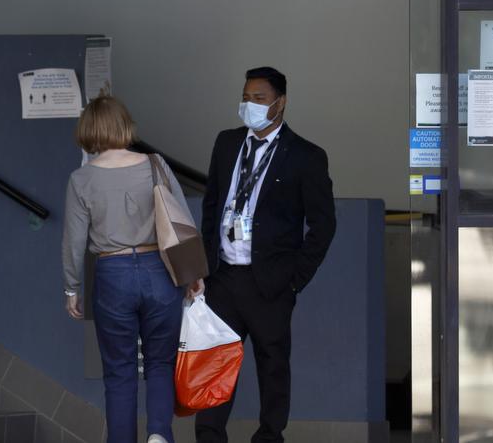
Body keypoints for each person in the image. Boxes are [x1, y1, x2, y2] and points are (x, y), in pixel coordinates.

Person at [195, 67, 336, 443]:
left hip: (270, 282)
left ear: (280, 103)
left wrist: (295, 278)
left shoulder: (306, 156)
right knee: (215, 363)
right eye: (245, 97)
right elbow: (211, 207)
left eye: (258, 98)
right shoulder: (226, 144)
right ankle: (209, 435)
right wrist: (203, 267)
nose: (249, 105)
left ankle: (270, 436)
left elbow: (323, 226)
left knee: (273, 366)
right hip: (223, 278)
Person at [62, 95, 203, 443]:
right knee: (160, 363)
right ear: (124, 124)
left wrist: (71, 288)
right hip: (160, 271)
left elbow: (73, 242)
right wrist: (192, 274)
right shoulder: (155, 164)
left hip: (112, 275)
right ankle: (158, 434)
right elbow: (182, 220)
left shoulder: (81, 179)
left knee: (120, 372)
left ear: (89, 129)